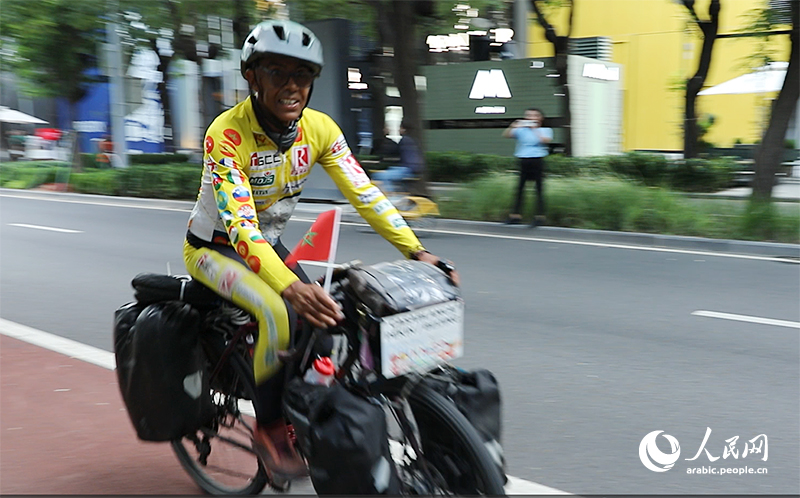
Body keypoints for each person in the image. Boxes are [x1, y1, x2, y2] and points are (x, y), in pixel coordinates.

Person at [182, 19, 458, 481]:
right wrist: (290, 288)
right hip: (214, 247)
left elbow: (365, 194)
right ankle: (269, 426)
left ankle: (301, 401)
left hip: (266, 243)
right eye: (277, 72)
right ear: (252, 76)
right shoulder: (226, 134)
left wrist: (417, 252)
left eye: (303, 75)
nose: (292, 86)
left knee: (327, 319)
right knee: (279, 312)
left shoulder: (320, 129)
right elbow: (242, 229)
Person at [502, 108, 553, 226]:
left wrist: (535, 130)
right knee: (519, 189)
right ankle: (515, 215)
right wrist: (513, 126)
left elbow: (545, 140)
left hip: (537, 160)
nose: (531, 117)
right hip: (523, 159)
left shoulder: (545, 130)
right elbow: (506, 135)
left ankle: (540, 216)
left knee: (539, 189)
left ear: (540, 118)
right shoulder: (521, 130)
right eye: (528, 115)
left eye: (534, 115)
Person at [372, 119, 423, 193]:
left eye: (400, 128)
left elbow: (390, 151)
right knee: (392, 170)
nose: (398, 130)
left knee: (379, 176)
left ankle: (391, 197)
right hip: (413, 168)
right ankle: (400, 195)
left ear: (404, 129)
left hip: (408, 169)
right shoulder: (412, 140)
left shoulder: (405, 140)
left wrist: (386, 134)